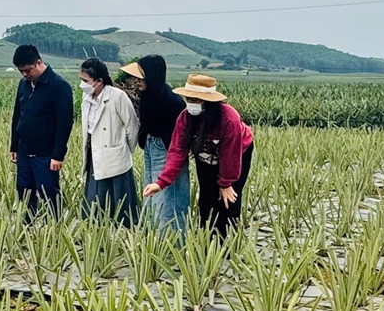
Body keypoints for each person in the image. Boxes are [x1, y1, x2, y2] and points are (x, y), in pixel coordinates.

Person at [143, 74, 254, 238]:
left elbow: (230, 154)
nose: (191, 104)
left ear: (209, 101)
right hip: (205, 154)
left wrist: (225, 183)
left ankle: (228, 246)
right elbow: (177, 152)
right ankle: (207, 243)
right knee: (207, 198)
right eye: (189, 99)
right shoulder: (185, 118)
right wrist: (161, 182)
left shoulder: (229, 119)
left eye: (196, 100)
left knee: (228, 201)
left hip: (237, 154)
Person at [121, 56, 190, 231]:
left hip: (166, 150)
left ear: (152, 75)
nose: (136, 81)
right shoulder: (148, 95)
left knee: (168, 198)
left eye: (140, 77)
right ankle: (155, 240)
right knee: (151, 197)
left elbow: (181, 141)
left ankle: (172, 245)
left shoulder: (172, 102)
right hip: (152, 146)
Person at [8, 44, 74, 216]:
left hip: (46, 154)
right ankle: (27, 228)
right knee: (24, 191)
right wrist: (14, 146)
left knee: (49, 193)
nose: (25, 74)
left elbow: (64, 124)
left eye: (28, 70)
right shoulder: (23, 85)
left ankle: (54, 229)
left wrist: (58, 155)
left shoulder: (59, 86)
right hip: (24, 151)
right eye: (21, 71)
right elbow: (17, 116)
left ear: (38, 63)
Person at [79, 58, 141, 224]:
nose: (82, 84)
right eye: (81, 80)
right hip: (95, 152)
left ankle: (125, 230)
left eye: (86, 81)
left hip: (115, 154)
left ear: (99, 81)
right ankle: (97, 231)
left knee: (120, 198)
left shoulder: (117, 96)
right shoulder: (86, 99)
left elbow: (132, 126)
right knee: (95, 197)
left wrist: (124, 149)